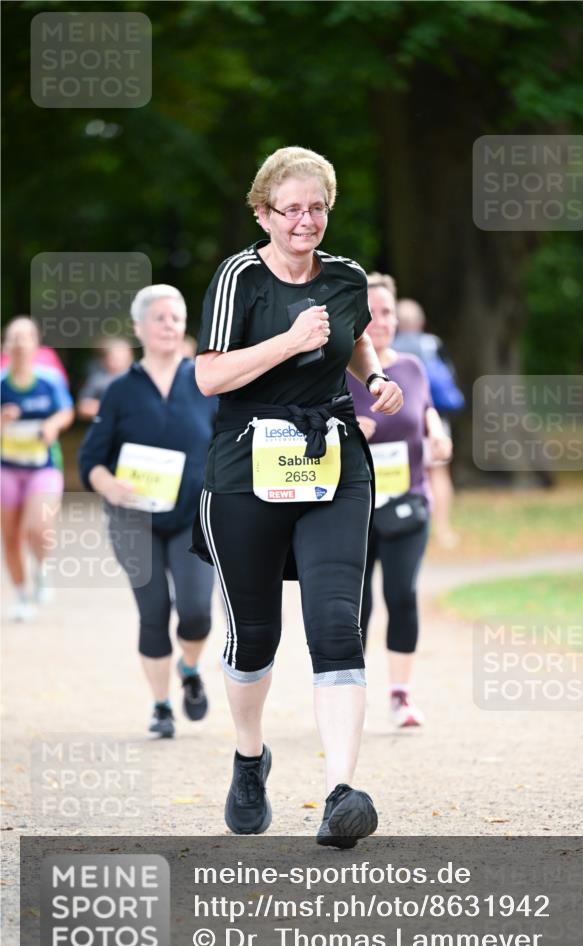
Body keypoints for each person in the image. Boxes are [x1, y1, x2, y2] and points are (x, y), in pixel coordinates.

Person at [193, 146, 403, 848]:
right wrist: (286, 342)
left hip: (332, 461)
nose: (305, 221)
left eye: (317, 208)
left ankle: (340, 793)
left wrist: (372, 380)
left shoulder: (345, 278)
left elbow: (354, 341)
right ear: (263, 212)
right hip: (245, 465)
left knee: (337, 626)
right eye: (291, 209)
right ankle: (250, 759)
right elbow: (209, 378)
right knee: (254, 638)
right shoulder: (239, 278)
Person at [78, 285, 218, 736]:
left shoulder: (205, 380)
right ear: (139, 327)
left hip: (193, 518)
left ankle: (190, 669)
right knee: (154, 610)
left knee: (197, 613)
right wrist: (109, 485)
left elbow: (231, 444)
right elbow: (90, 461)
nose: (168, 325)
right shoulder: (119, 390)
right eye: (158, 317)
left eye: (176, 317)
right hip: (133, 519)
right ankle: (161, 706)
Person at [348, 275, 452, 727]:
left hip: (408, 501)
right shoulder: (337, 371)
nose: (381, 322)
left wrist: (437, 432)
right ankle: (350, 694)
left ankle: (401, 695)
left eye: (388, 312)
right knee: (358, 603)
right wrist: (353, 433)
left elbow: (425, 409)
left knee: (402, 594)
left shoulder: (411, 366)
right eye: (371, 313)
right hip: (353, 506)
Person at [1, 316, 74, 620]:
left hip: (43, 465)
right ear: (6, 345)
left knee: (38, 527)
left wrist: (52, 425)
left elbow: (66, 411)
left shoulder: (49, 379)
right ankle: (21, 595)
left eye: (25, 337)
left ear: (35, 344)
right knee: (10, 536)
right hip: (7, 467)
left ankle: (42, 568)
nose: (19, 343)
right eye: (14, 338)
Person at [396, 297, 461, 548]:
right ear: (420, 322)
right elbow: (449, 377)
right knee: (439, 472)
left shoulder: (388, 346)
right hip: (436, 418)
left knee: (401, 471)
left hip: (401, 421)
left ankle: (403, 520)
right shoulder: (433, 344)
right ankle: (443, 530)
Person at [77, 337, 134, 421]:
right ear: (105, 359)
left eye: (123, 357)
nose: (119, 361)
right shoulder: (97, 380)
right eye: (115, 358)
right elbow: (82, 408)